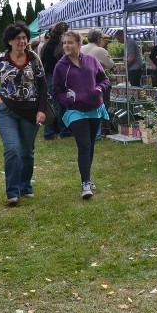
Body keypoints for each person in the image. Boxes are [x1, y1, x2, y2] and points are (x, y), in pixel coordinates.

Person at [0, 23, 48, 206]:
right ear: (10, 41)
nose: (22, 41)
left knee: (27, 152)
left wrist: (42, 110)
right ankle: (12, 192)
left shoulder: (34, 58)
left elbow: (43, 85)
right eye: (18, 38)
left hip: (31, 111)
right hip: (7, 112)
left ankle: (25, 185)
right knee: (13, 150)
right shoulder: (1, 59)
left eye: (24, 38)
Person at [52, 30, 110, 199]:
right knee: (84, 145)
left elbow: (105, 80)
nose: (66, 46)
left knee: (90, 144)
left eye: (70, 42)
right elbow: (56, 92)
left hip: (95, 108)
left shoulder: (91, 61)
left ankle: (88, 176)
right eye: (64, 43)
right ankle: (85, 183)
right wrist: (68, 99)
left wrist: (99, 89)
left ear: (79, 44)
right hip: (76, 111)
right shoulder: (60, 67)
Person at [81, 30, 114, 139]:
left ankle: (89, 131)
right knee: (103, 105)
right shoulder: (100, 50)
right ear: (99, 39)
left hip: (83, 81)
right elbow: (111, 65)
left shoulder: (81, 48)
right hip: (98, 81)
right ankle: (104, 130)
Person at [40, 22, 71, 140]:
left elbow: (42, 59)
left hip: (47, 75)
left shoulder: (47, 43)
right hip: (56, 75)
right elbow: (61, 59)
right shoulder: (59, 44)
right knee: (60, 104)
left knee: (51, 104)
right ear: (63, 32)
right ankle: (62, 131)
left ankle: (51, 132)